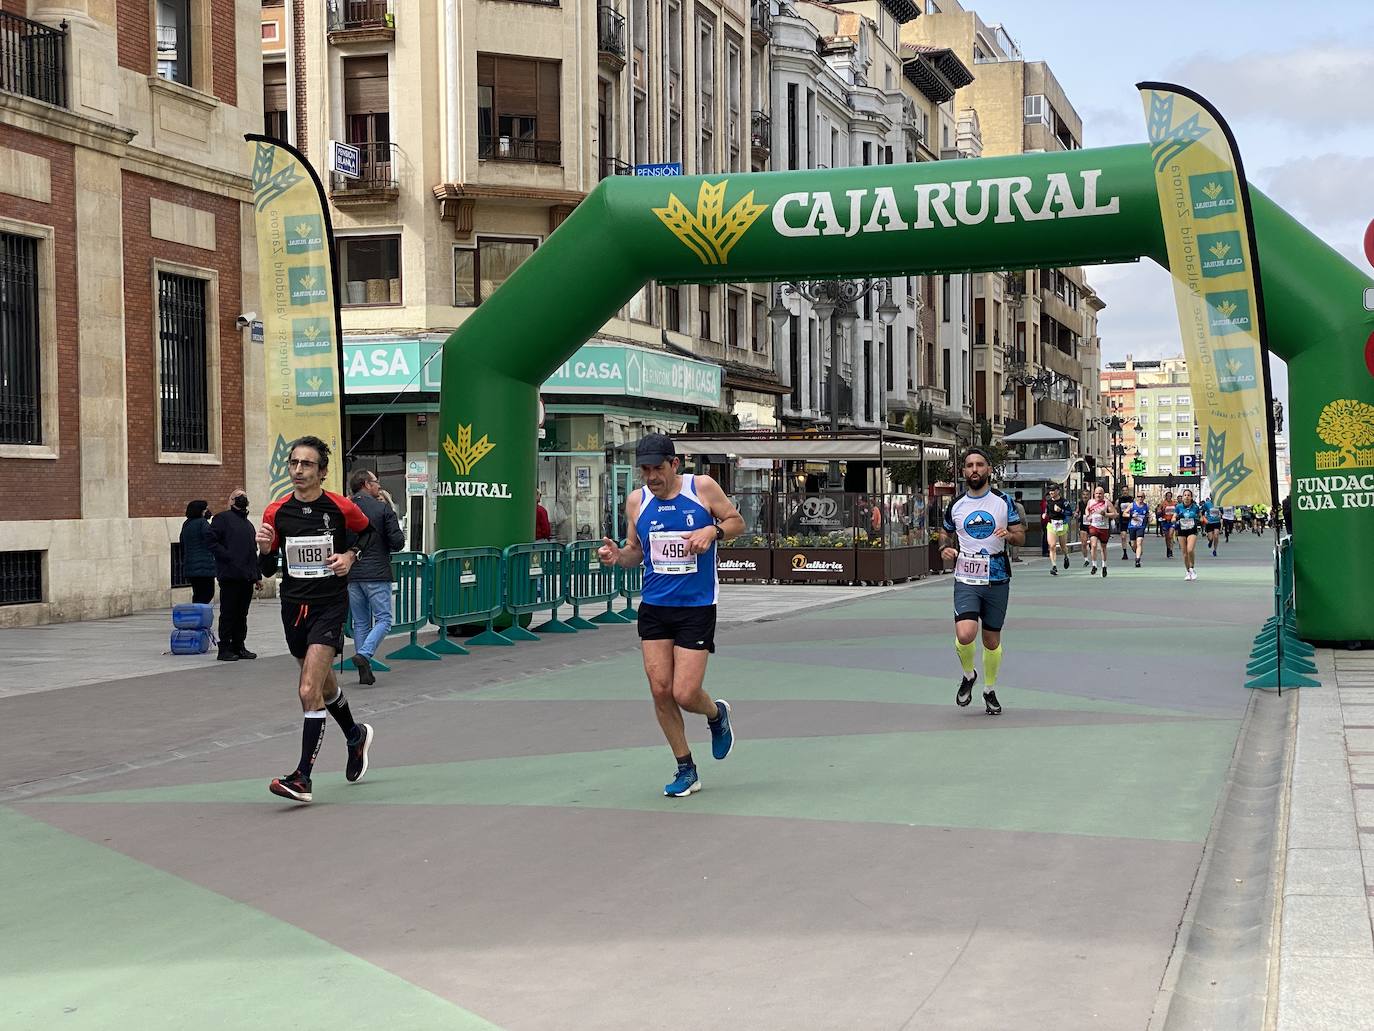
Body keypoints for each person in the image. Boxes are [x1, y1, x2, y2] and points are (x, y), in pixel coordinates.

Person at [597, 433, 744, 797]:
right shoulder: (637, 501)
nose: (651, 477)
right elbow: (635, 552)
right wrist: (618, 557)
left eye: (657, 469)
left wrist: (713, 530)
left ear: (674, 464)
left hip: (696, 607)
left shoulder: (702, 488)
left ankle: (715, 715)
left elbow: (737, 522)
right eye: (645, 470)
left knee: (684, 691)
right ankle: (685, 768)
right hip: (655, 607)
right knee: (660, 690)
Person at [257, 435, 376, 804]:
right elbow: (266, 570)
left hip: (329, 606)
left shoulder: (340, 507)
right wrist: (263, 549)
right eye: (293, 463)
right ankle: (355, 736)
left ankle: (302, 778)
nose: (297, 470)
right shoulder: (276, 512)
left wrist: (350, 556)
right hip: (293, 607)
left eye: (306, 464)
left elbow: (370, 533)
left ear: (322, 472)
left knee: (308, 690)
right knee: (325, 688)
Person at [940, 448, 1024, 716]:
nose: (974, 469)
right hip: (966, 577)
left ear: (988, 469)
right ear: (963, 471)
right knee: (965, 634)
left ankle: (989, 690)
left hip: (997, 576)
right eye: (969, 465)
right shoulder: (956, 505)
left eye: (979, 464)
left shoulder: (1003, 501)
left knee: (991, 640)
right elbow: (944, 533)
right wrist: (944, 548)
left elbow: (1021, 535)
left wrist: (1009, 536)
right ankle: (968, 674)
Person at [346, 468, 405, 686]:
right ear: (365, 484)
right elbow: (397, 542)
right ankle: (365, 654)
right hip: (377, 572)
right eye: (375, 482)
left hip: (352, 573)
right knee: (384, 619)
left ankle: (365, 670)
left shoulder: (345, 509)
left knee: (361, 621)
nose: (378, 485)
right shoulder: (382, 509)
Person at [209, 490, 262, 661]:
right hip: (230, 576)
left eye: (244, 495)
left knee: (242, 614)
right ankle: (224, 648)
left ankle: (239, 646)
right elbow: (210, 541)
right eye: (238, 496)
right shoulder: (222, 519)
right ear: (230, 500)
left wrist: (257, 576)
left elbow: (253, 552)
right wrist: (227, 555)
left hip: (246, 577)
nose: (242, 498)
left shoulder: (248, 525)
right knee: (228, 613)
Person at [179, 500, 216, 605]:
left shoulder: (186, 524)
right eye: (206, 509)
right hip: (204, 567)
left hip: (191, 567)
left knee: (198, 594)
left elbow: (182, 542)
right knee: (207, 593)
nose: (208, 511)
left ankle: (196, 616)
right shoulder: (202, 523)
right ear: (201, 511)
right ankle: (199, 616)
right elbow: (211, 539)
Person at [1084, 486, 1115, 577]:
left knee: (1103, 547)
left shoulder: (1107, 503)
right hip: (1094, 526)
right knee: (1093, 545)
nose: (1098, 495)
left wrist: (1105, 514)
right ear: (1094, 494)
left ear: (1103, 494)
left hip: (1104, 528)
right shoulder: (1091, 502)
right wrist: (1087, 515)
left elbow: (1114, 514)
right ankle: (1094, 565)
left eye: (1100, 493)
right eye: (1097, 493)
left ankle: (1104, 566)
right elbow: (1087, 509)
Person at [1175, 488, 1203, 581]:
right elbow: (1173, 518)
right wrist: (1178, 517)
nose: (1186, 497)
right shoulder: (1178, 507)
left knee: (1190, 550)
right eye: (1185, 495)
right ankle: (1188, 572)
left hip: (1192, 530)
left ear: (1191, 497)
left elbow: (1201, 517)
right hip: (1181, 530)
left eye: (1188, 495)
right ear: (1182, 497)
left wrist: (1199, 519)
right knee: (1184, 553)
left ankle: (1192, 568)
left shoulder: (1195, 507)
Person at [1044, 483, 1071, 575]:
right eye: (1050, 490)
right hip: (1051, 524)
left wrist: (1061, 510)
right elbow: (1046, 511)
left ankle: (1066, 556)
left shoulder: (1064, 501)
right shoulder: (1048, 501)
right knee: (1052, 546)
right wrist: (1045, 515)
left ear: (1058, 491)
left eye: (1053, 490)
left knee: (1063, 546)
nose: (1051, 492)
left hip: (1062, 524)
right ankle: (1054, 566)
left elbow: (1070, 512)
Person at [1126, 490, 1152, 568]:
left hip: (1141, 527)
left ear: (1144, 498)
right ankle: (1133, 546)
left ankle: (1137, 560)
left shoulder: (1146, 506)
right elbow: (1124, 513)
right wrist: (1131, 516)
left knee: (1139, 542)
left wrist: (1149, 518)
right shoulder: (1132, 505)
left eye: (1142, 497)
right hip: (1132, 527)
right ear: (1136, 498)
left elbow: (1147, 514)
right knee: (1134, 545)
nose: (1140, 498)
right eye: (1138, 497)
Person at [1077, 489, 1092, 569]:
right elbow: (1077, 511)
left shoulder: (1092, 503)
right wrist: (1076, 514)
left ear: (1089, 495)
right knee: (1083, 543)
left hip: (1092, 524)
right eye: (1084, 494)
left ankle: (1093, 558)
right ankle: (1086, 559)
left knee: (1093, 544)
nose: (1085, 496)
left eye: (1087, 494)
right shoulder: (1080, 503)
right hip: (1083, 524)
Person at [1010, 491, 1027, 563]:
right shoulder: (1020, 506)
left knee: (1011, 540)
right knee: (1016, 541)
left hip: (1010, 524)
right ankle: (1015, 556)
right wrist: (1025, 525)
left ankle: (1012, 555)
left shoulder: (1012, 504)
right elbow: (1022, 517)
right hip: (1018, 525)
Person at [1159, 490, 1177, 559]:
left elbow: (1177, 511)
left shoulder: (1174, 503)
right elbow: (1158, 511)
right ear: (1166, 497)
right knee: (1167, 537)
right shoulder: (1163, 503)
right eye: (1168, 496)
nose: (1169, 497)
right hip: (1165, 521)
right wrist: (1161, 511)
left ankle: (1171, 551)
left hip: (1172, 521)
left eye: (1170, 496)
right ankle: (1168, 549)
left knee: (1170, 536)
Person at [1117, 491, 1134, 561]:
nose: (1124, 492)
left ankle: (1131, 542)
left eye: (1126, 490)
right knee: (1123, 537)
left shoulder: (1131, 499)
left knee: (1132, 537)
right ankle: (1125, 553)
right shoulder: (1119, 500)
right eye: (1123, 490)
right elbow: (1116, 508)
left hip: (1130, 520)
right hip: (1122, 520)